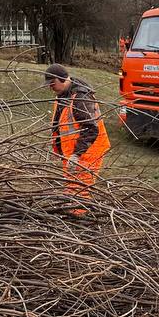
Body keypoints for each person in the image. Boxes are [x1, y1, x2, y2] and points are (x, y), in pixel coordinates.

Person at [44, 63, 110, 208]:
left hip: (88, 153)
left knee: (80, 191)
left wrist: (76, 155)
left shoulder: (80, 98)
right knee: (71, 189)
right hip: (72, 154)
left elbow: (91, 129)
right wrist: (60, 150)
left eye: (52, 84)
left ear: (62, 79)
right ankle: (72, 214)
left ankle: (81, 222)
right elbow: (59, 125)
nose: (51, 87)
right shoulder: (62, 96)